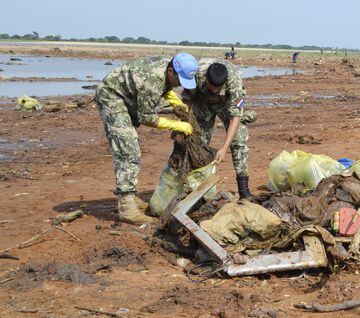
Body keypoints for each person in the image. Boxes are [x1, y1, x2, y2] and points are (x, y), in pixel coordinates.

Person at [95, 53, 199, 224]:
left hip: (127, 96)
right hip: (112, 97)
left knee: (129, 147)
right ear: (171, 71)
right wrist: (177, 125)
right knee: (128, 150)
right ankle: (126, 208)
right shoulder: (151, 80)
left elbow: (164, 87)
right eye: (179, 79)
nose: (181, 84)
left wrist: (175, 102)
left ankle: (128, 196)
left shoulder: (166, 68)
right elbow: (148, 118)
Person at [181, 59, 251, 198]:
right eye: (211, 87)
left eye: (217, 89)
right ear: (205, 79)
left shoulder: (234, 82)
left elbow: (234, 118)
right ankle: (196, 187)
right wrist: (183, 124)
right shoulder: (196, 74)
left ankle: (243, 189)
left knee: (239, 141)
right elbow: (187, 101)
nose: (214, 91)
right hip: (203, 102)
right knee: (198, 143)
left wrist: (224, 148)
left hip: (226, 104)